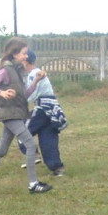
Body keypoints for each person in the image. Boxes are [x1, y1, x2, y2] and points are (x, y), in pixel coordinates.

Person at [0, 37, 52, 194]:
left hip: (16, 113)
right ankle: (33, 184)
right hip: (9, 115)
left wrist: (35, 82)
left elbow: (24, 95)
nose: (26, 56)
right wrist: (2, 92)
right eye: (24, 53)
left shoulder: (17, 72)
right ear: (14, 54)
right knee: (30, 145)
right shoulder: (5, 71)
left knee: (2, 150)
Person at [21, 49, 67, 177]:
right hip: (51, 110)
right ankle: (57, 167)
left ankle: (33, 154)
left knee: (22, 131)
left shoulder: (33, 74)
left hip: (42, 108)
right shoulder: (37, 72)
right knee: (48, 137)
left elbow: (31, 96)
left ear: (25, 60)